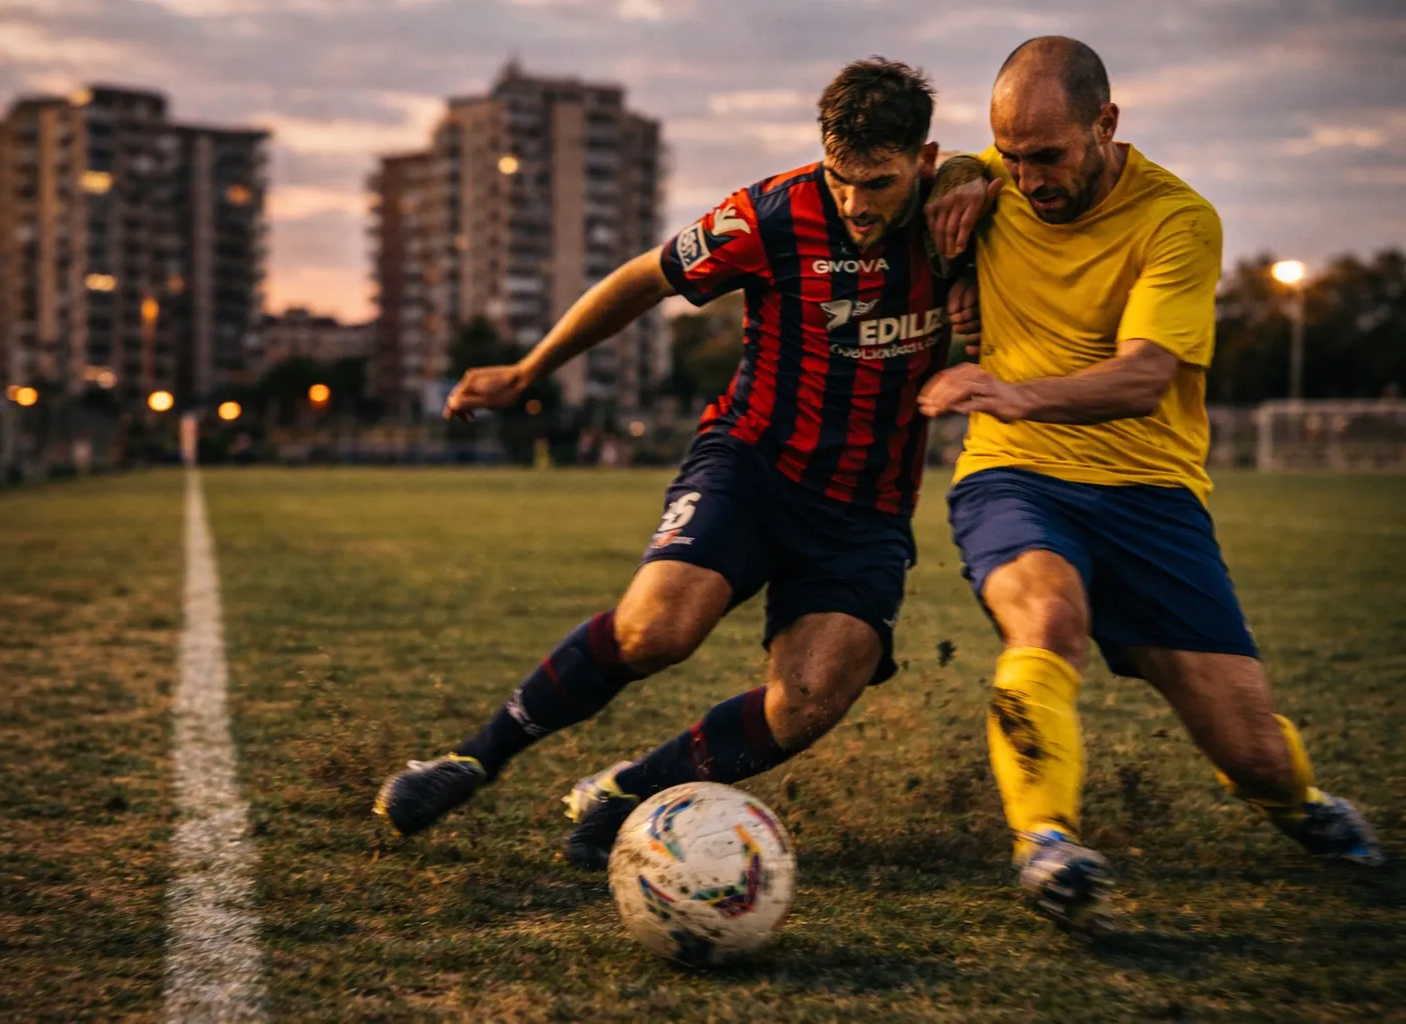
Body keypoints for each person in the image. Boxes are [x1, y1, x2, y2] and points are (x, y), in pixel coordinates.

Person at [376, 57, 979, 869]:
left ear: (925, 159)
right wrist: (529, 372)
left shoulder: (964, 215)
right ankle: (471, 759)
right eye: (841, 179)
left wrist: (980, 183)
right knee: (656, 630)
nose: (855, 203)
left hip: (865, 510)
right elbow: (641, 278)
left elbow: (1024, 174)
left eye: (877, 182)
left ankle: (625, 789)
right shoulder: (768, 216)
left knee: (808, 703)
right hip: (751, 468)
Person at [919, 36, 1383, 939]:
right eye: (1008, 157)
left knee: (1254, 757)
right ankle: (1046, 843)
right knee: (1047, 617)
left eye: (1046, 156)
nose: (1027, 178)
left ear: (1106, 124)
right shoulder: (993, 178)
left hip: (1152, 492)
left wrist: (1011, 392)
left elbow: (1142, 377)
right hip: (1016, 476)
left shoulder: (1178, 219)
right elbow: (930, 181)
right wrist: (962, 184)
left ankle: (1300, 803)